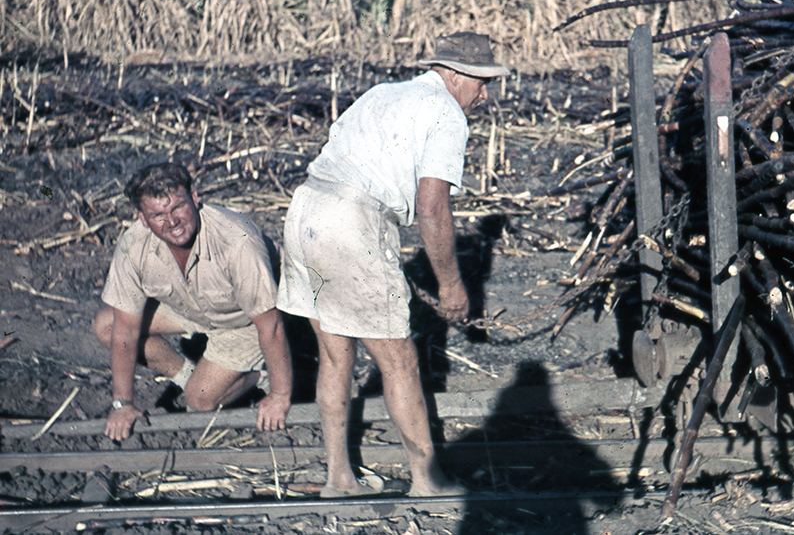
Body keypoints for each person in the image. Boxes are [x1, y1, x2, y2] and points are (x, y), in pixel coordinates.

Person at [277, 31, 509, 498]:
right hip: (351, 219)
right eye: (481, 82)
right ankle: (427, 479)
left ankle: (339, 477)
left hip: (305, 210)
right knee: (400, 360)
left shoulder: (385, 93)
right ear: (455, 74)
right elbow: (432, 208)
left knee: (335, 352)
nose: (486, 95)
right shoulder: (446, 112)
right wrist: (451, 285)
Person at [93, 162, 293, 441]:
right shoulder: (133, 245)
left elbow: (270, 326)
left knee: (198, 401)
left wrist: (280, 396)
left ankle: (260, 376)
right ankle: (192, 377)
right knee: (107, 324)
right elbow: (125, 330)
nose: (171, 221)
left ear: (195, 198)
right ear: (141, 217)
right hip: (191, 309)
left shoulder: (236, 240)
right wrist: (122, 404)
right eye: (158, 214)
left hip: (243, 321)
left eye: (177, 207)